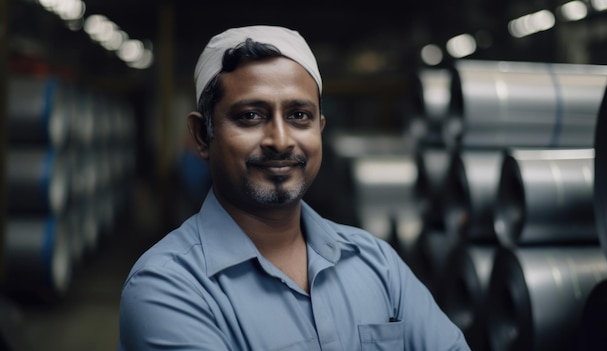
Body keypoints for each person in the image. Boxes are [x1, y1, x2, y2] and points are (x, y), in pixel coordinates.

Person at [118, 25, 470, 350]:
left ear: (320, 127)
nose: (280, 141)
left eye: (298, 115)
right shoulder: (168, 287)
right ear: (202, 135)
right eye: (251, 116)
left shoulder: (376, 262)